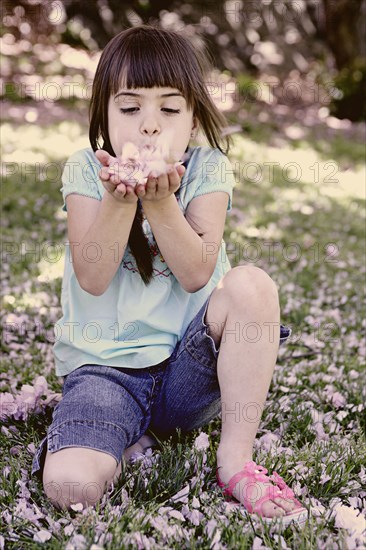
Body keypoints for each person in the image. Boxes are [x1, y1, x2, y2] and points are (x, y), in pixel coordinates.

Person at [32, 25, 307, 526]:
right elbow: (92, 276)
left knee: (253, 286)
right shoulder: (84, 171)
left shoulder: (209, 169)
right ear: (104, 116)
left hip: (189, 371)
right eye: (130, 108)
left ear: (194, 119)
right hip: (106, 371)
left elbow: (198, 272)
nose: (150, 126)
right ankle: (120, 434)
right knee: (70, 487)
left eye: (169, 109)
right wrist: (120, 200)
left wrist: (159, 202)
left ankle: (235, 461)